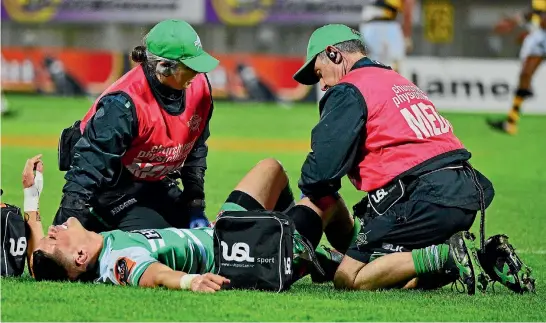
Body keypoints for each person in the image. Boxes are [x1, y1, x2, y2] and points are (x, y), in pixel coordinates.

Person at [23, 156, 481, 293]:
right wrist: (187, 282)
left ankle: (315, 253)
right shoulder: (118, 261)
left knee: (270, 168)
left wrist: (31, 201)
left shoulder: (78, 247)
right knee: (324, 199)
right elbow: (151, 275)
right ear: (81, 258)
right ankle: (400, 259)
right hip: (242, 252)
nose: (57, 228)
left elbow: (42, 253)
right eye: (59, 236)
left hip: (227, 228)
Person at [291, 24, 505, 294]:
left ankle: (447, 256)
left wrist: (304, 206)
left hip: (421, 197)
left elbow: (322, 169)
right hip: (464, 192)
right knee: (397, 274)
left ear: (334, 54)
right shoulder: (395, 80)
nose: (322, 84)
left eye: (320, 73)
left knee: (348, 279)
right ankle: (485, 257)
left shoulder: (349, 89)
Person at [54, 19, 219, 232]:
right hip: (111, 190)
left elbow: (195, 149)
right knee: (159, 242)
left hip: (154, 184)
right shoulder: (122, 105)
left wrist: (195, 204)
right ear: (164, 67)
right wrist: (65, 229)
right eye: (190, 67)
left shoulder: (200, 87)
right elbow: (88, 170)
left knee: (199, 238)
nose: (197, 73)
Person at [487, 0, 546, 135]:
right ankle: (511, 122)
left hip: (541, 36)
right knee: (525, 75)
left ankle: (525, 91)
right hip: (541, 37)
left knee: (525, 75)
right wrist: (514, 21)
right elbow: (534, 14)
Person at [359, 0, 415, 72]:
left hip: (367, 23)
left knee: (375, 62)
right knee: (396, 60)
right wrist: (407, 37)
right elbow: (407, 14)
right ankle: (394, 81)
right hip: (385, 22)